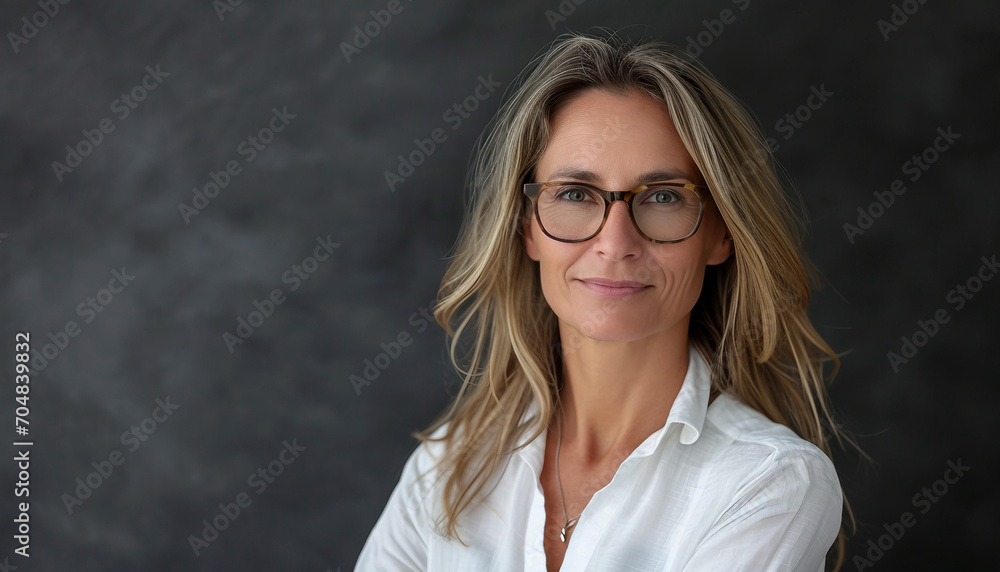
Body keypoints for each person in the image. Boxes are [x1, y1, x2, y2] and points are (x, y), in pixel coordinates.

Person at [356, 30, 859, 572]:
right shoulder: (446, 468)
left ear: (721, 232)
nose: (616, 244)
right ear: (527, 227)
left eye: (664, 197)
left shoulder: (768, 482)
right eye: (574, 194)